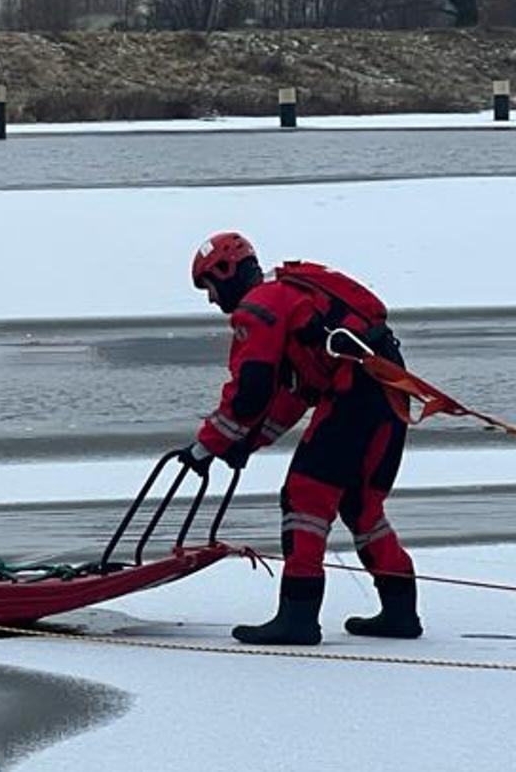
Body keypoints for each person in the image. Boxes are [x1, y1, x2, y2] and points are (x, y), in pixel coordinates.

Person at [178, 231, 420, 646]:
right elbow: (298, 391)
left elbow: (251, 391)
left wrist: (206, 447)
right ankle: (400, 610)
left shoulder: (259, 308)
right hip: (386, 391)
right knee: (362, 505)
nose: (213, 301)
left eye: (211, 288)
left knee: (304, 498)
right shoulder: (290, 296)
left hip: (358, 396)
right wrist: (245, 444)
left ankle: (298, 616)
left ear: (227, 272)